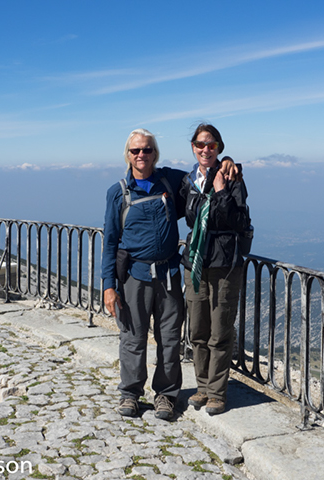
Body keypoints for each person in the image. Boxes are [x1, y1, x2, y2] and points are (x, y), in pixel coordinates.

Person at [102, 128, 239, 421]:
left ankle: (165, 395)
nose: (142, 155)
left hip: (168, 275)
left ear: (156, 153)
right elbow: (110, 242)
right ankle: (130, 394)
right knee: (132, 337)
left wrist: (227, 160)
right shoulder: (118, 192)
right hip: (134, 276)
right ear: (127, 155)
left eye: (147, 150)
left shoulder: (170, 180)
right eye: (135, 151)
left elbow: (204, 169)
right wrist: (108, 286)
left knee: (169, 338)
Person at [180, 123, 251, 415]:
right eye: (200, 145)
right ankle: (203, 387)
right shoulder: (189, 180)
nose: (205, 149)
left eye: (211, 145)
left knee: (220, 330)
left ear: (219, 147)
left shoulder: (233, 178)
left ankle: (218, 393)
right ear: (193, 148)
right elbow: (189, 217)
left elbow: (232, 219)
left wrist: (220, 190)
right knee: (197, 329)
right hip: (197, 261)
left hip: (224, 264)